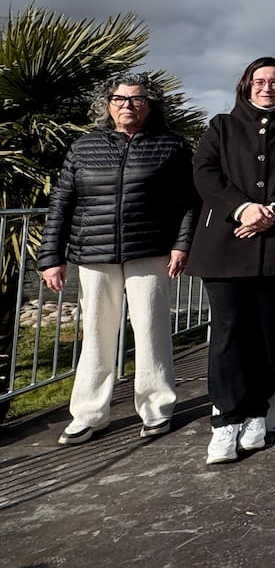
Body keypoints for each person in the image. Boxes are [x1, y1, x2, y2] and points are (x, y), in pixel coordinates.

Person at [38, 73, 197, 444]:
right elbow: (62, 203)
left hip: (150, 251)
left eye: (136, 99)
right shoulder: (83, 148)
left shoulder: (171, 146)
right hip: (93, 255)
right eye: (119, 99)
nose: (127, 105)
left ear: (149, 105)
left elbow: (189, 201)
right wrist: (51, 256)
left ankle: (157, 408)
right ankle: (89, 414)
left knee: (151, 330)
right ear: (107, 105)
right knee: (96, 334)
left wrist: (182, 244)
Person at [189, 57, 275, 464]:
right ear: (246, 86)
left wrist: (273, 210)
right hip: (227, 244)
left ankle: (255, 411)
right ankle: (225, 419)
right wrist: (243, 209)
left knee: (271, 334)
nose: (266, 88)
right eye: (259, 81)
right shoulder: (221, 126)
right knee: (229, 332)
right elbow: (205, 173)